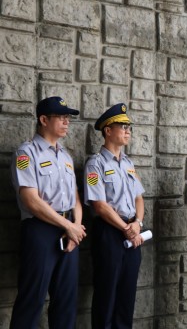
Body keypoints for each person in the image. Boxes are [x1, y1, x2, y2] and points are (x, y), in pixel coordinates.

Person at [10, 96, 86, 329]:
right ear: (43, 120)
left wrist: (76, 227)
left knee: (66, 301)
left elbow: (75, 197)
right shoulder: (26, 154)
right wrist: (68, 226)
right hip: (41, 230)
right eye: (61, 117)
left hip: (69, 232)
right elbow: (31, 200)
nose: (66, 122)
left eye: (67, 118)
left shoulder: (64, 156)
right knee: (32, 300)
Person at [84, 103, 145, 329]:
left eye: (129, 127)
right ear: (108, 130)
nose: (128, 130)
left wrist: (137, 223)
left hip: (132, 232)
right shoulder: (95, 164)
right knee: (106, 293)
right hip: (110, 233)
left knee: (127, 294)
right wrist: (126, 229)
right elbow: (99, 205)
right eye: (123, 126)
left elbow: (139, 197)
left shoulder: (128, 164)